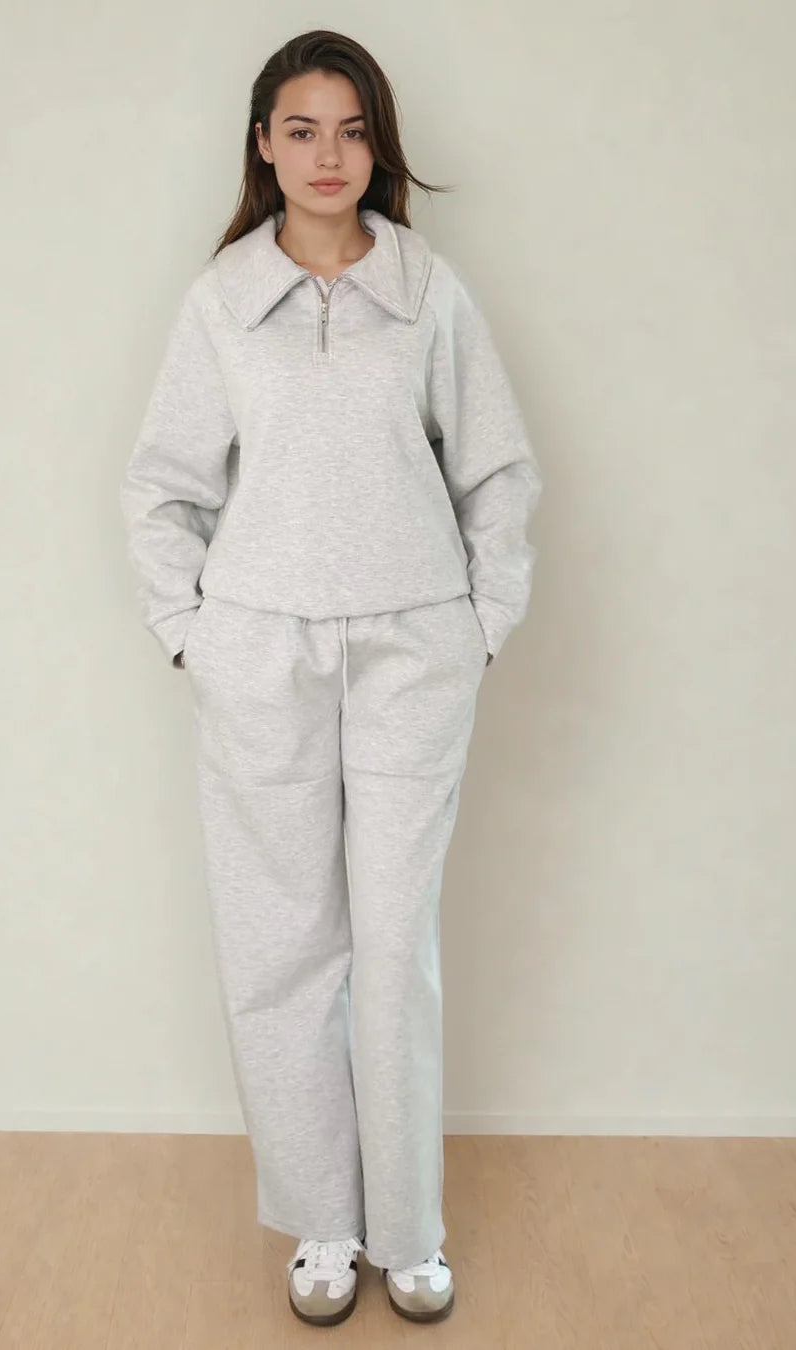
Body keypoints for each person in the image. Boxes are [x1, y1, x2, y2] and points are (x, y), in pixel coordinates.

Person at [119, 27, 542, 1329]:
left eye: (352, 130)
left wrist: (481, 622)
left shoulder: (429, 293)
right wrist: (191, 632)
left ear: (379, 146)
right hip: (261, 653)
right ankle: (323, 1221)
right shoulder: (221, 301)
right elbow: (162, 486)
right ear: (263, 143)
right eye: (301, 129)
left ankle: (409, 1227)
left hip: (414, 647)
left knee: (393, 945)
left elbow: (497, 469)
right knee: (281, 945)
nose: (328, 155)